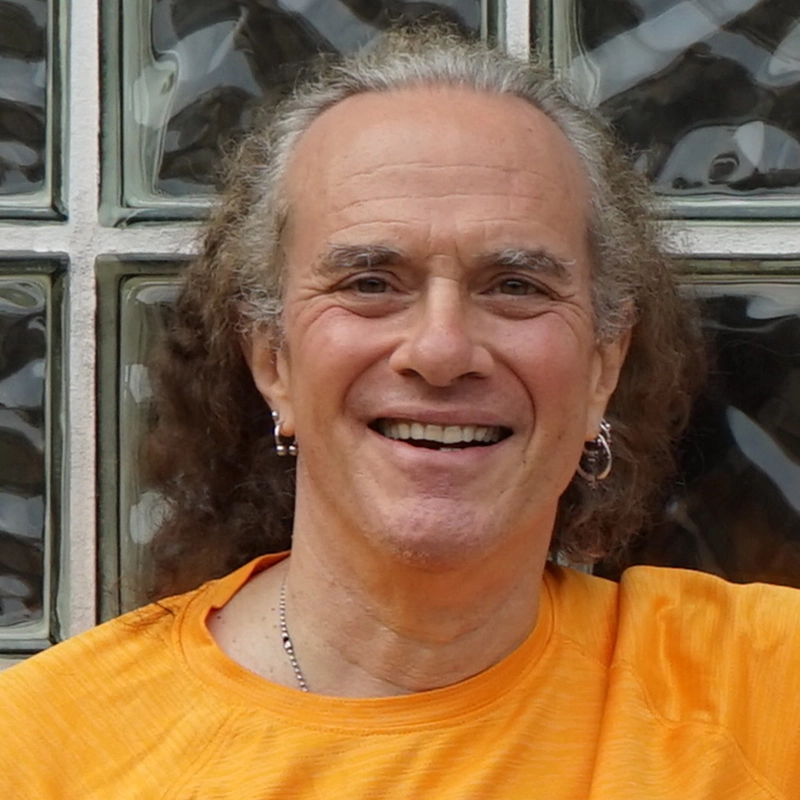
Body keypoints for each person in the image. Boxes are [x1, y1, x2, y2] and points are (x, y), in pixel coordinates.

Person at [2, 28, 799, 799]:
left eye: (516, 286)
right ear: (272, 358)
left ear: (603, 363)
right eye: (370, 283)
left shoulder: (764, 694)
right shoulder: (44, 752)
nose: (442, 349)